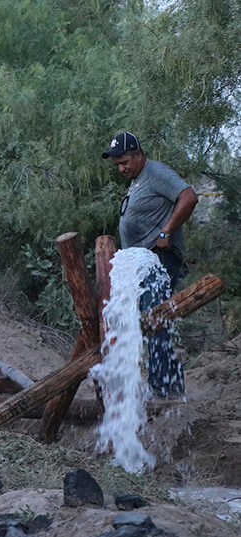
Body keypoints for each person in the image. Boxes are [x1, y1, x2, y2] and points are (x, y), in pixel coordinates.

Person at [102, 132, 199, 397]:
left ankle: (164, 388)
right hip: (141, 263)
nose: (121, 168)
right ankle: (163, 383)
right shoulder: (137, 180)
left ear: (139, 155)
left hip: (158, 259)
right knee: (143, 320)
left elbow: (189, 196)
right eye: (117, 165)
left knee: (155, 318)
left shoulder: (156, 172)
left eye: (124, 162)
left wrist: (166, 232)